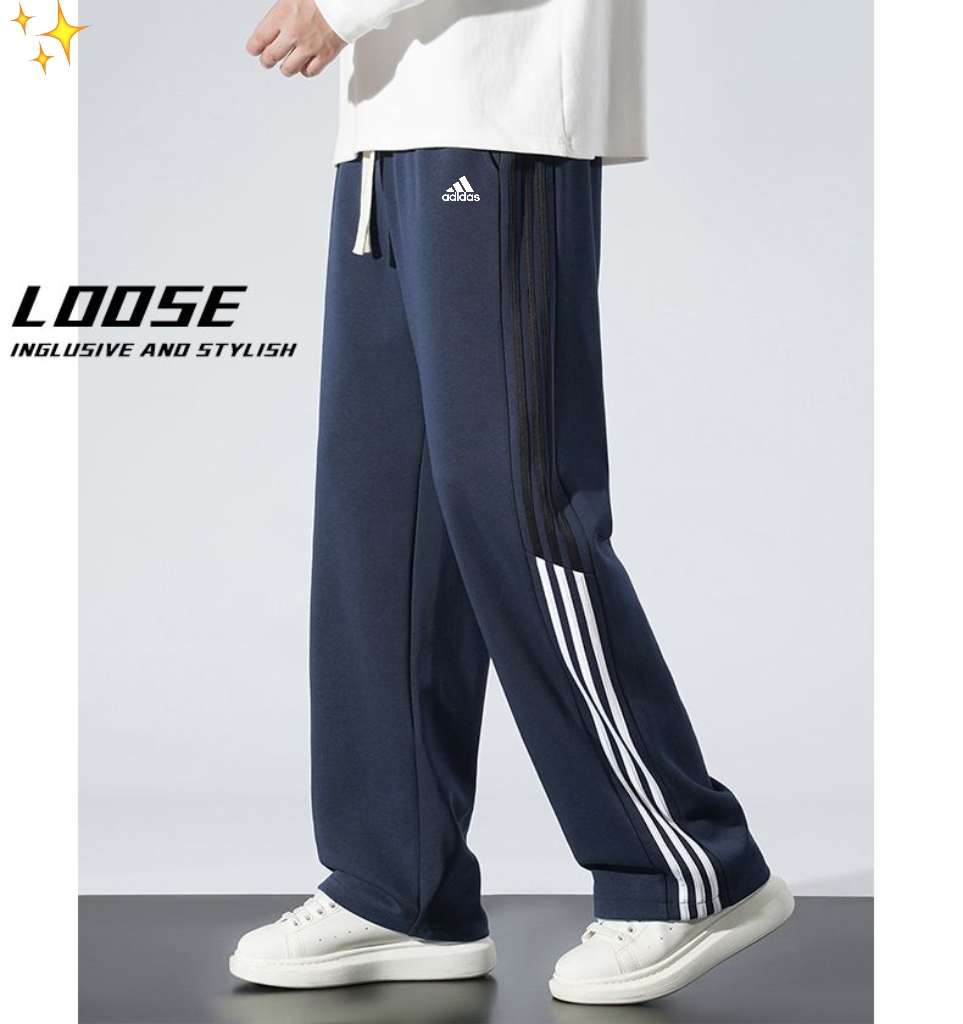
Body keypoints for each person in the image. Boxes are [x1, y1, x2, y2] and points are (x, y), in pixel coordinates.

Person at [228, 0, 794, 1006]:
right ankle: (399, 885)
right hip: (387, 127)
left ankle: (687, 868)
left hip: (500, 111)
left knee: (514, 505)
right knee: (380, 521)